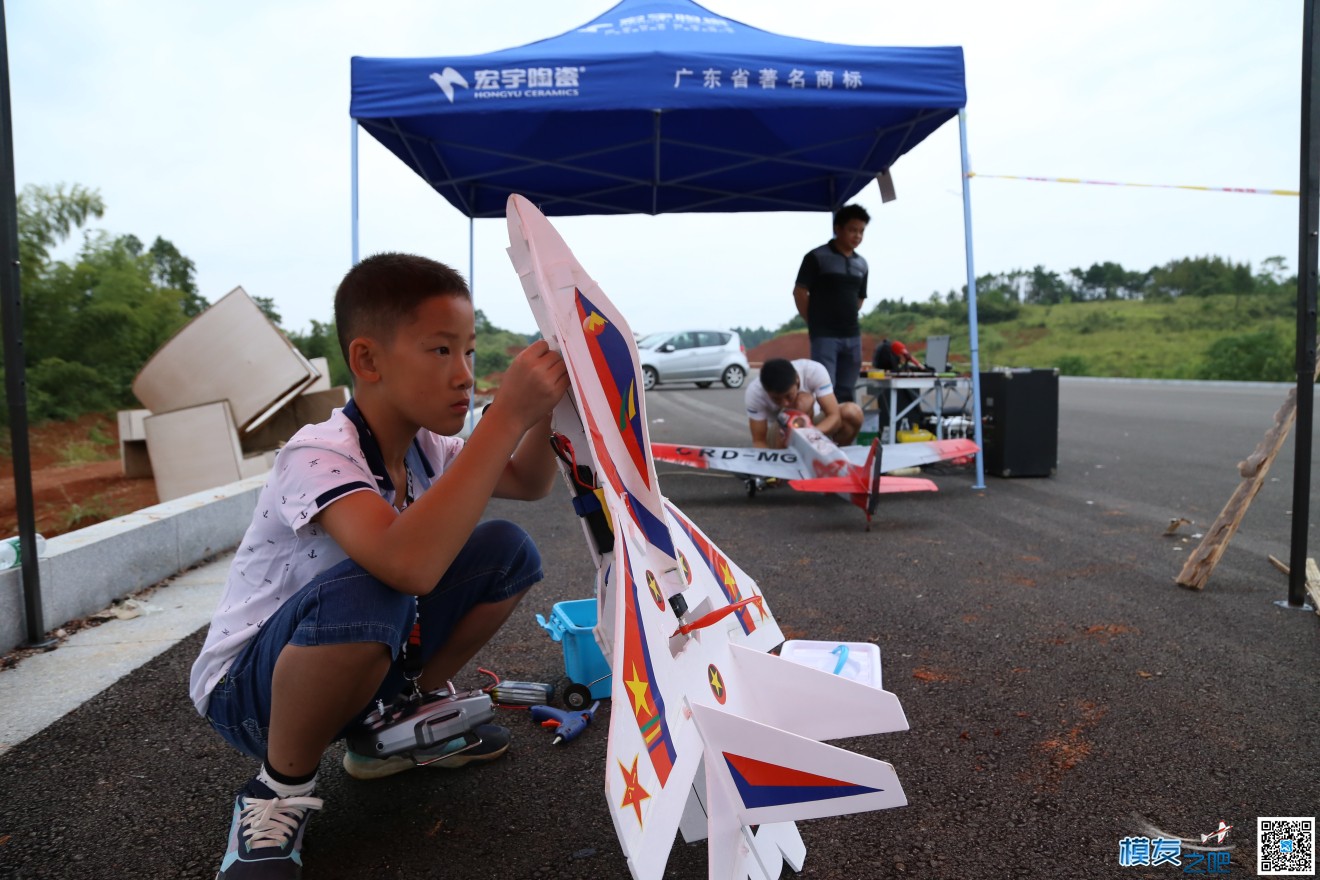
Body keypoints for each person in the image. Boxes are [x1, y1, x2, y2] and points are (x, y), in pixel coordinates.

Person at [189, 253, 570, 878]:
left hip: (350, 656)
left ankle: (388, 728)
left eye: (470, 352)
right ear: (367, 360)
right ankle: (276, 792)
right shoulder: (317, 452)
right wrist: (506, 414)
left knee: (507, 551)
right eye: (441, 351)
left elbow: (529, 481)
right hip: (253, 693)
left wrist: (553, 409)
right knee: (381, 583)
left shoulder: (428, 445)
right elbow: (408, 565)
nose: (465, 375)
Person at [792, 203, 870, 404]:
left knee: (846, 390)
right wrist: (814, 322)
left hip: (852, 335)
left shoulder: (862, 264)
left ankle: (843, 434)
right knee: (825, 389)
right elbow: (799, 292)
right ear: (838, 229)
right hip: (825, 336)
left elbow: (860, 298)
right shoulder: (817, 257)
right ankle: (823, 433)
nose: (858, 236)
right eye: (853, 230)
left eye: (861, 231)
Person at [746, 357, 862, 448]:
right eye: (776, 399)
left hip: (812, 426)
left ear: (797, 379)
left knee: (852, 412)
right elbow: (759, 441)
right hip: (779, 435)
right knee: (797, 408)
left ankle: (835, 461)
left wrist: (811, 434)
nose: (784, 403)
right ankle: (788, 469)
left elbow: (834, 416)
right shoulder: (755, 392)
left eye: (788, 396)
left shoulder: (814, 371)